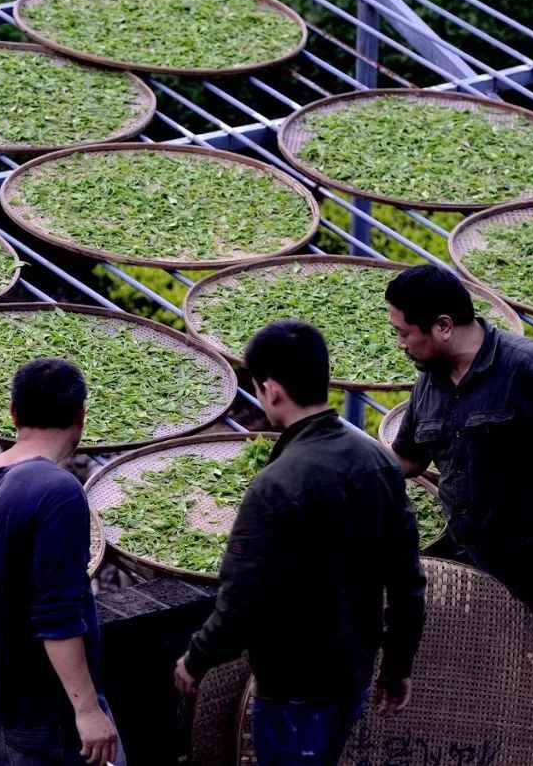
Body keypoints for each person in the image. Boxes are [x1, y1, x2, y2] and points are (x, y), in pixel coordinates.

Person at [383, 264, 533, 766]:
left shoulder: (529, 367)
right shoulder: (430, 381)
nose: (400, 344)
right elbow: (411, 458)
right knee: (497, 675)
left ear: (442, 326)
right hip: (473, 557)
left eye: (404, 332)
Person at [174, 320, 427, 765]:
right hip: (354, 674)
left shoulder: (276, 484)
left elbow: (240, 598)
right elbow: (408, 581)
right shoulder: (378, 462)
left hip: (294, 690)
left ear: (270, 390)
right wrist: (398, 665)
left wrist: (196, 659)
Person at [0, 358, 122, 766]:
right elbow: (57, 616)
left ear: (13, 414)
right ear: (81, 416)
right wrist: (87, 711)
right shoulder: (58, 491)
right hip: (45, 713)